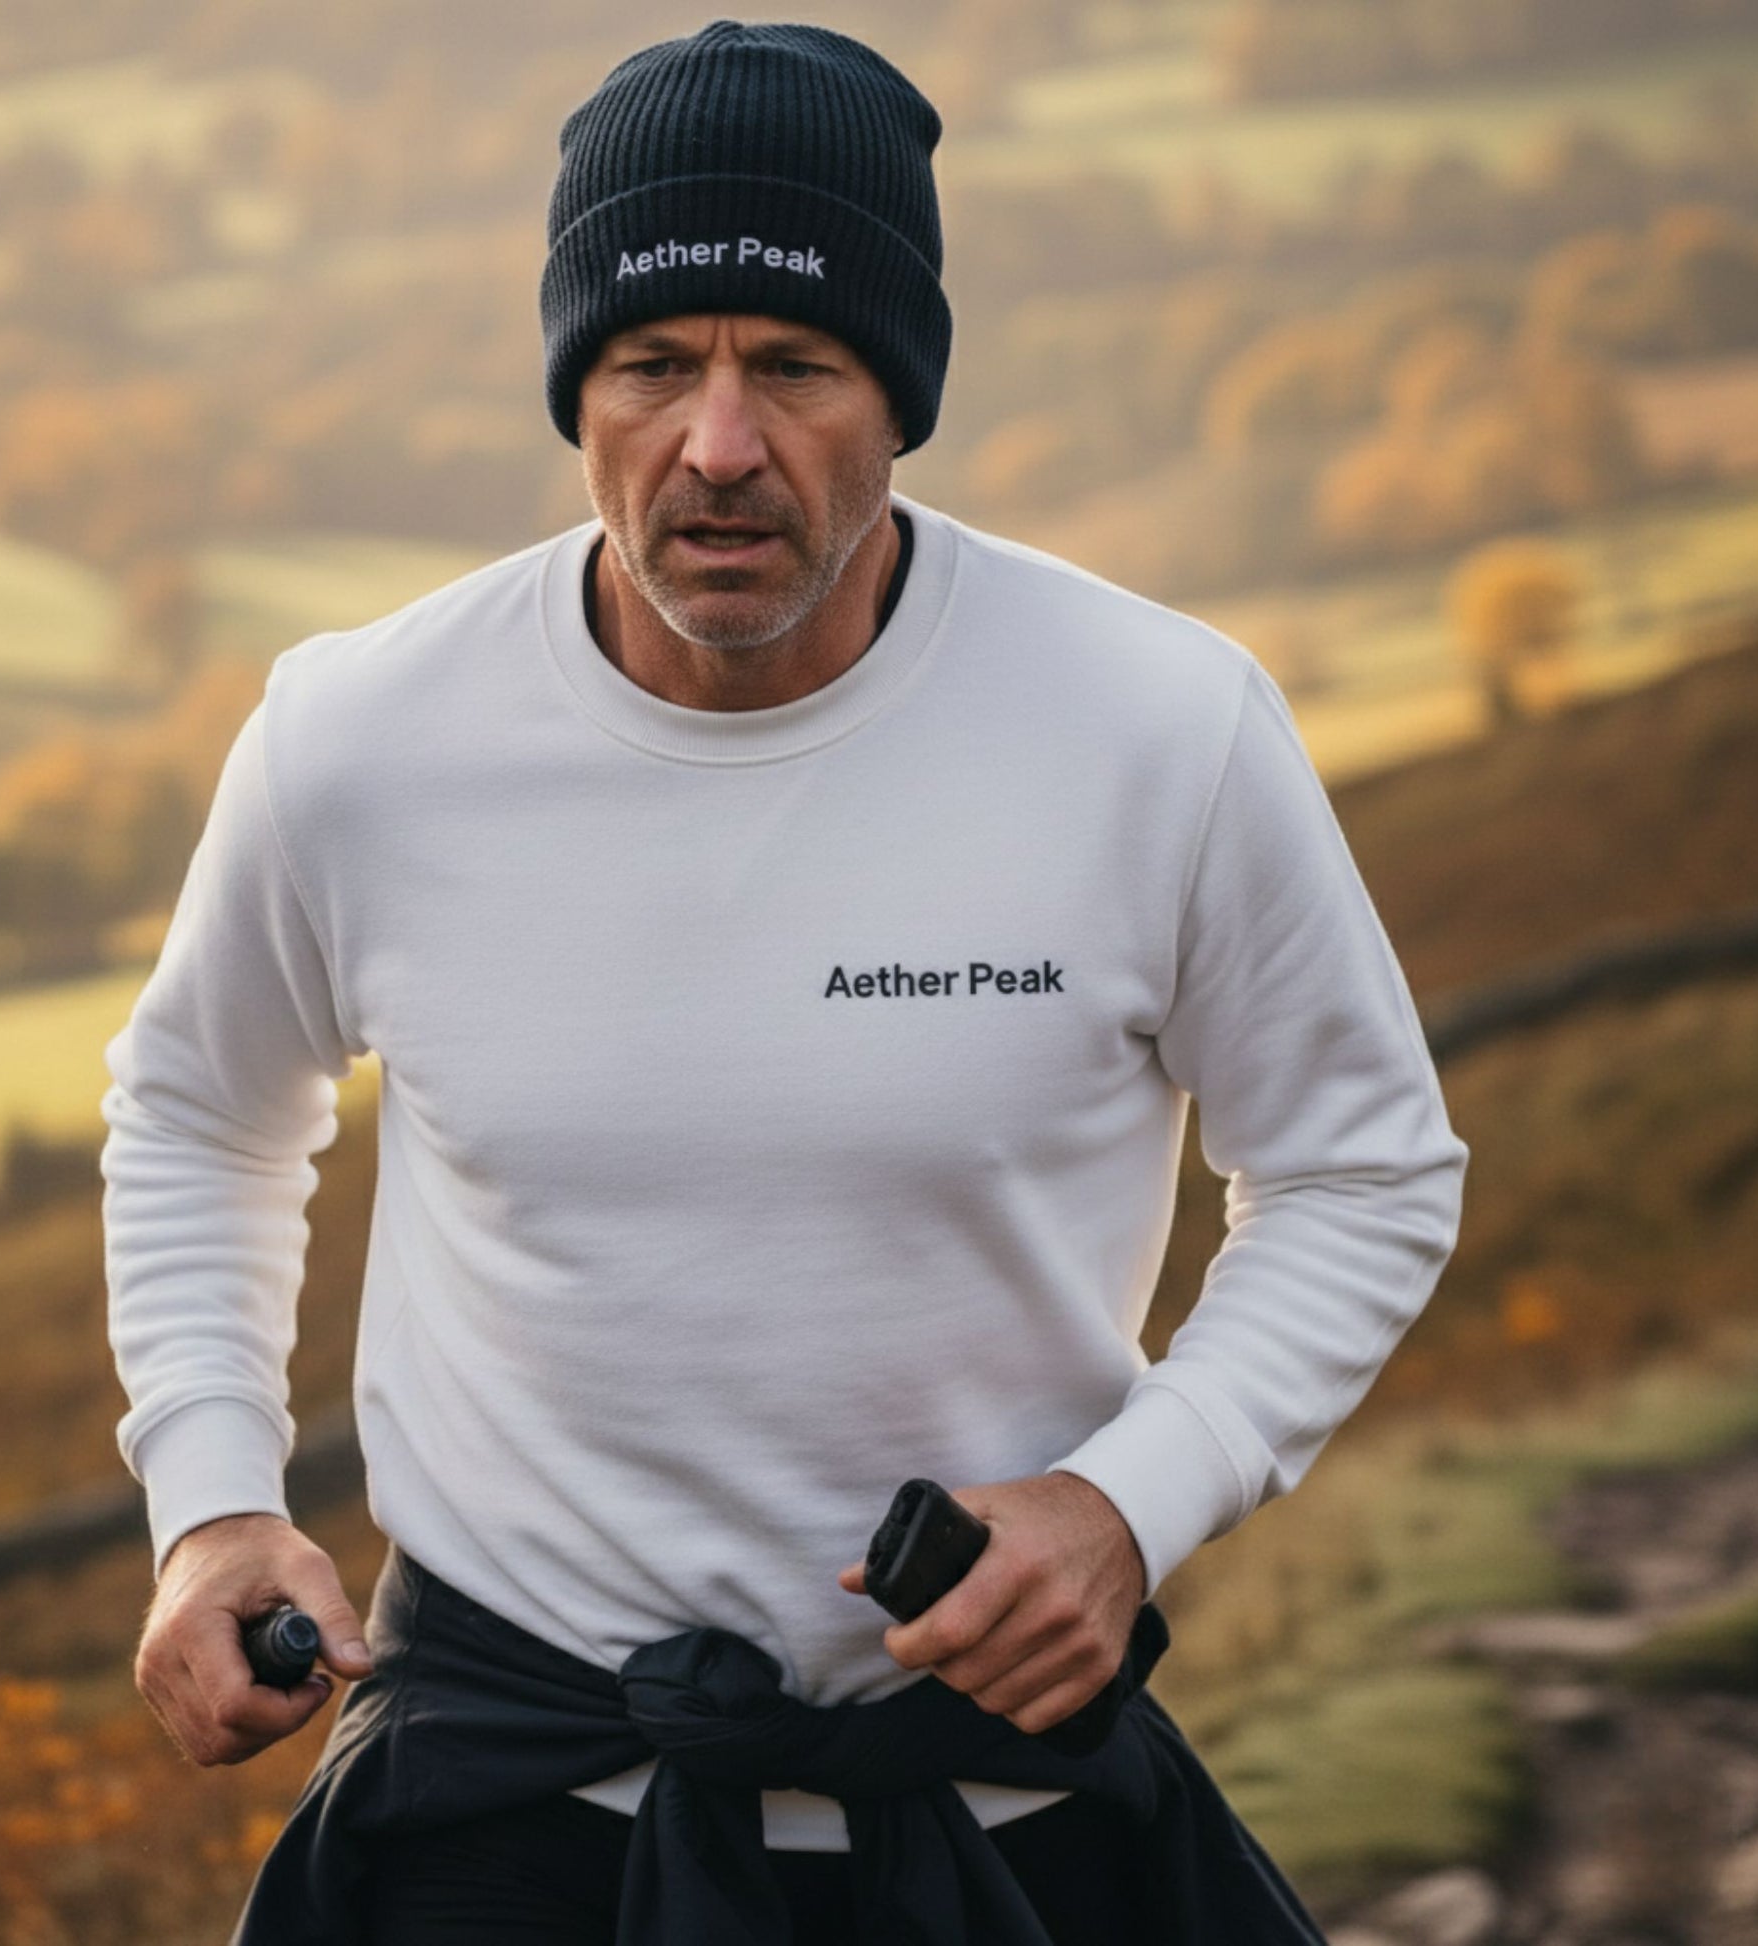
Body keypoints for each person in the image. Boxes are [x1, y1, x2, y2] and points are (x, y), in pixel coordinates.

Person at [100, 20, 1468, 1944]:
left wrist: (1132, 1501)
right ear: (576, 385)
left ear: (899, 393)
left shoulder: (1157, 728)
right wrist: (213, 1498)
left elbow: (1359, 1167)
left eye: (795, 369)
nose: (716, 446)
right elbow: (196, 1113)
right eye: (654, 366)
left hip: (997, 1814)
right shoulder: (361, 737)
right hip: (499, 1823)